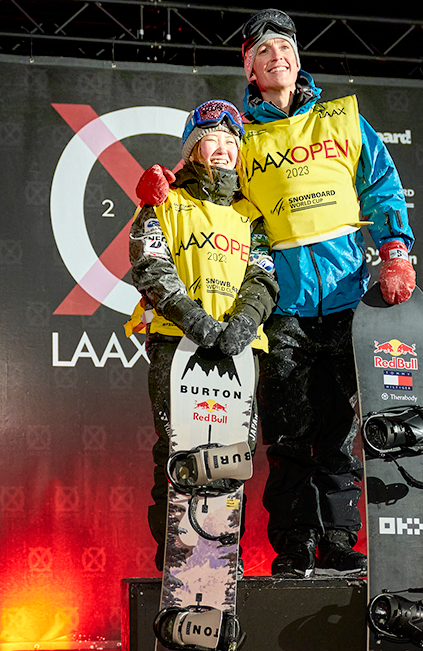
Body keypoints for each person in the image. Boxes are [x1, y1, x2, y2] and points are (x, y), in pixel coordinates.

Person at [137, 9, 416, 579]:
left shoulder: (341, 119)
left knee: (339, 430)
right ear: (248, 63)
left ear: (297, 56)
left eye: (284, 48)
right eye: (263, 51)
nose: (276, 58)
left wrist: (395, 251)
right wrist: (156, 184)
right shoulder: (239, 130)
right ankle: (293, 545)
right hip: (280, 309)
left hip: (344, 299)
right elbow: (200, 176)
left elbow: (382, 182)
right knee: (288, 436)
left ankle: (339, 540)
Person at [126, 99, 279, 573]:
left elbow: (264, 277)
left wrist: (241, 324)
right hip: (178, 345)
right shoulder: (163, 203)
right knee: (179, 453)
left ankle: (222, 562)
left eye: (232, 141)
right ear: (192, 149)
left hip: (241, 350)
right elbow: (150, 266)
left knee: (232, 461)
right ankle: (176, 561)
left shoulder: (252, 214)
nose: (223, 149)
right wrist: (198, 322)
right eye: (212, 139)